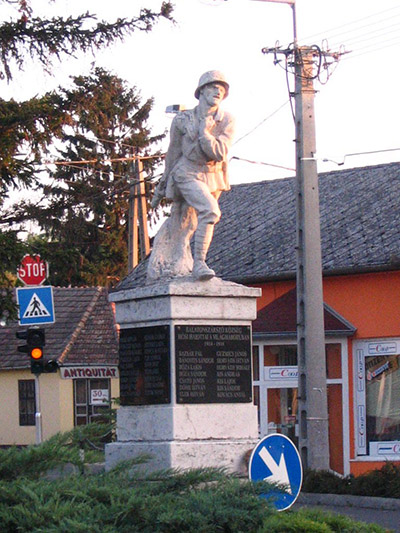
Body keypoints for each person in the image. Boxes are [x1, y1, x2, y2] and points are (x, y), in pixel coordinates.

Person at [148, 70, 235, 281]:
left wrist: (205, 133)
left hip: (212, 175)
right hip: (186, 172)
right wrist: (163, 182)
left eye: (222, 89)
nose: (218, 91)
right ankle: (200, 263)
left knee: (187, 224)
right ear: (202, 90)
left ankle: (177, 261)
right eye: (214, 87)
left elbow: (220, 152)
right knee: (211, 211)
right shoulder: (182, 119)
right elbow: (174, 152)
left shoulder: (226, 120)